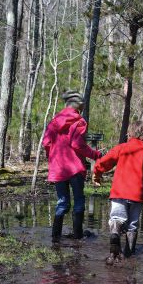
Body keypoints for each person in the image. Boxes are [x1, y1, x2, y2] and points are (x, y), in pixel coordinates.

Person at [92, 121, 143, 265]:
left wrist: (97, 173)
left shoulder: (121, 148)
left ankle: (114, 247)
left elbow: (104, 162)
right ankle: (129, 255)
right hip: (137, 194)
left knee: (116, 218)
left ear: (129, 133)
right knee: (132, 225)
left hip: (119, 192)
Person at [43, 90, 101, 242]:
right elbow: (77, 144)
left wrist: (53, 158)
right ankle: (77, 236)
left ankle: (55, 238)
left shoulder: (54, 121)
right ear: (79, 107)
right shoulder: (79, 122)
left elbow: (46, 143)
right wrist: (95, 154)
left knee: (62, 202)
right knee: (79, 201)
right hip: (75, 169)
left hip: (58, 169)